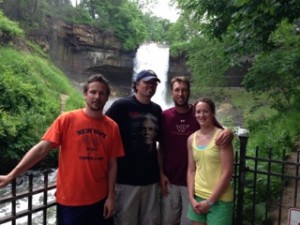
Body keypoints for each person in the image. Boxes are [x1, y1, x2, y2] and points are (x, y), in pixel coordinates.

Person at [0, 74, 125, 225]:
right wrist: (12, 175)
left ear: (107, 97)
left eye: (102, 93)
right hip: (70, 201)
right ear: (85, 94)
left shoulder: (112, 127)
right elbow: (41, 149)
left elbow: (112, 164)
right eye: (93, 92)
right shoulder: (67, 119)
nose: (97, 97)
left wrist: (111, 197)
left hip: (100, 200)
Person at [158, 76, 233, 225]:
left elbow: (221, 131)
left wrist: (230, 132)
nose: (180, 94)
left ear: (189, 92)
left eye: (184, 90)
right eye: (177, 90)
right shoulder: (165, 116)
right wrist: (160, 174)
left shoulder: (198, 112)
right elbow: (161, 147)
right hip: (170, 181)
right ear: (171, 93)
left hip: (192, 186)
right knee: (168, 221)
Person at [105, 69, 162, 225]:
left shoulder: (157, 110)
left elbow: (161, 144)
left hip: (151, 181)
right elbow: (102, 129)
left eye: (153, 83)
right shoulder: (121, 106)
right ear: (136, 84)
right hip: (125, 181)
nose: (150, 86)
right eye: (146, 82)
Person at [186, 97, 234, 225]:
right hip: (197, 197)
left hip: (220, 199)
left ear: (212, 113)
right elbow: (191, 170)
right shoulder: (191, 139)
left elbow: (227, 173)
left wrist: (210, 202)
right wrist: (191, 198)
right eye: (198, 111)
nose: (201, 115)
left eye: (205, 111)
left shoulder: (222, 137)